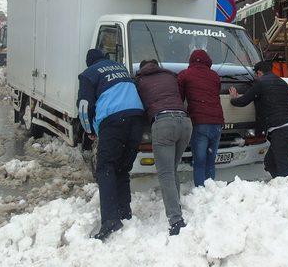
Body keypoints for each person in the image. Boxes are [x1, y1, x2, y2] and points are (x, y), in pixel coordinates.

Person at [78, 48, 145, 241]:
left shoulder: (89, 74)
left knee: (105, 168)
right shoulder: (120, 68)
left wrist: (89, 130)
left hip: (115, 122)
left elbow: (84, 107)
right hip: (137, 119)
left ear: (90, 63)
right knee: (122, 168)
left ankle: (110, 220)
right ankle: (125, 212)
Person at [136, 59, 192, 236]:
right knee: (172, 169)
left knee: (166, 173)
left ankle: (176, 220)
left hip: (164, 123)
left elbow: (140, 106)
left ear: (142, 68)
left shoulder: (140, 81)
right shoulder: (170, 76)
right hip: (185, 122)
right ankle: (176, 205)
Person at [229, 60, 288, 186]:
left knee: (284, 170)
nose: (255, 77)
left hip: (280, 129)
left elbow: (243, 101)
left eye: (256, 74)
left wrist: (234, 99)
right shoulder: (282, 82)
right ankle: (282, 188)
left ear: (259, 72)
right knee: (270, 163)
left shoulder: (261, 83)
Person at [178, 49, 225, 187]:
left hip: (199, 123)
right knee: (211, 159)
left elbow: (179, 98)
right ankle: (210, 188)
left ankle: (200, 190)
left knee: (199, 161)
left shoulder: (185, 75)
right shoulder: (215, 76)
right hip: (217, 122)